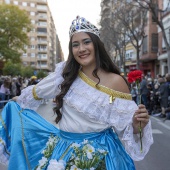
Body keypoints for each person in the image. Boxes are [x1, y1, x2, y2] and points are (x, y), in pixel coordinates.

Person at [0, 16, 153, 170]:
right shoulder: (65, 75)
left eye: (86, 42)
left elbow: (125, 127)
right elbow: (35, 93)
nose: (81, 49)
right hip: (63, 153)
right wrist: (17, 101)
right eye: (75, 45)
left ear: (97, 44)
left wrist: (136, 124)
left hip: (102, 156)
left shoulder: (116, 82)